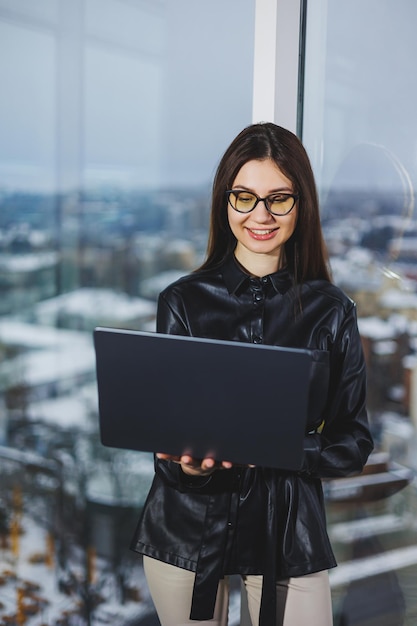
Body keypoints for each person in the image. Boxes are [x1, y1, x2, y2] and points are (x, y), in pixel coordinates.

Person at [130, 122, 374, 626]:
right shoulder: (181, 302)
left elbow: (353, 441)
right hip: (186, 529)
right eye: (244, 197)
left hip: (289, 530)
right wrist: (187, 466)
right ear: (225, 203)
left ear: (300, 204)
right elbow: (168, 448)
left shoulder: (332, 311)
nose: (259, 215)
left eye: (278, 199)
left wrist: (275, 448)